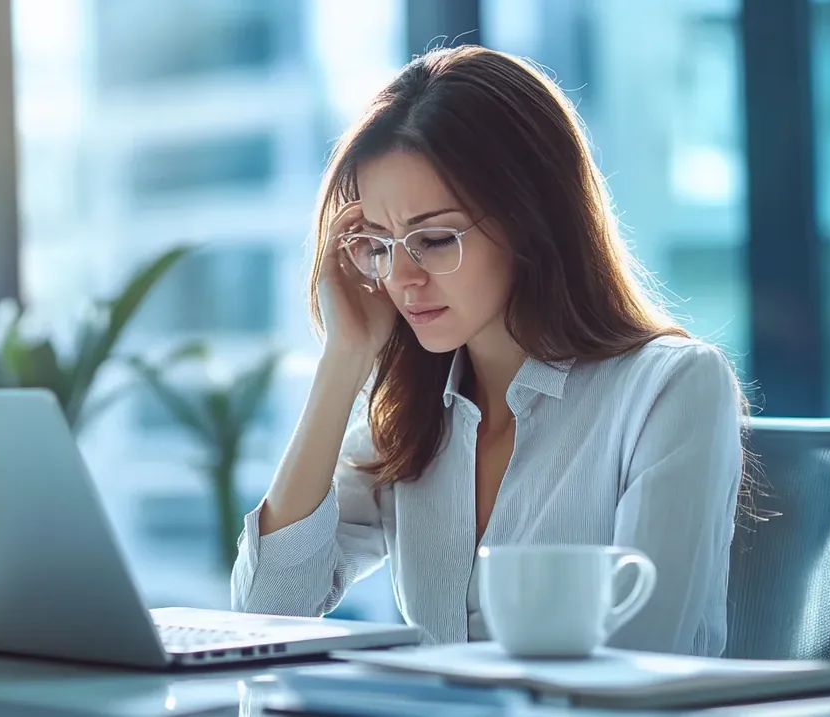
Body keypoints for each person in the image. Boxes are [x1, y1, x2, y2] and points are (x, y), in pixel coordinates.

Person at [229, 46, 747, 657]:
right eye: (380, 245)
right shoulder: (411, 418)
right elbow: (266, 609)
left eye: (434, 238)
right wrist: (345, 358)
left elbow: (641, 655)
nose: (402, 277)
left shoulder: (673, 387)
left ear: (531, 218)